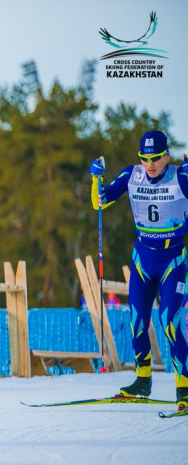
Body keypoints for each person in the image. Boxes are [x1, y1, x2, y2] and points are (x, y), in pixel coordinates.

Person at [89, 130, 188, 410]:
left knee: (170, 322)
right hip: (143, 258)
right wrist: (95, 179)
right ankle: (142, 381)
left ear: (166, 156)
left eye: (156, 158)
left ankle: (185, 387)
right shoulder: (131, 175)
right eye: (145, 158)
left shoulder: (180, 176)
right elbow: (100, 202)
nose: (150, 164)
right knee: (137, 321)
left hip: (173, 260)